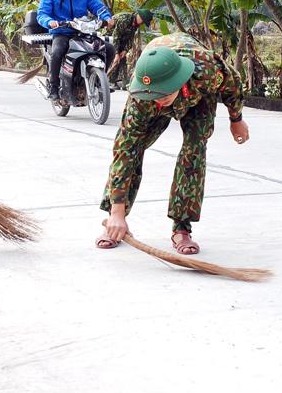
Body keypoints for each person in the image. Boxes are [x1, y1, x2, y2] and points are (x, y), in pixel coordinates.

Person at [97, 32, 250, 254]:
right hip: (153, 92)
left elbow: (232, 85)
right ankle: (114, 223)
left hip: (197, 98)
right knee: (133, 150)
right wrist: (117, 212)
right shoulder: (142, 96)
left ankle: (182, 228)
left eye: (164, 93)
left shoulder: (206, 71)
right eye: (155, 94)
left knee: (194, 151)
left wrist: (236, 120)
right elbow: (124, 150)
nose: (161, 98)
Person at [37, 0, 115, 100]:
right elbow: (42, 14)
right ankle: (54, 87)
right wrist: (50, 22)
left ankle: (100, 81)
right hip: (62, 33)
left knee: (108, 49)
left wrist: (107, 18)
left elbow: (98, 7)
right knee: (57, 52)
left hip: (83, 32)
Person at [108, 8, 153, 86]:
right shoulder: (124, 19)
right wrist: (116, 53)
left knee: (122, 60)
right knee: (114, 60)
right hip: (109, 38)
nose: (142, 23)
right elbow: (116, 36)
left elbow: (130, 38)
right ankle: (108, 81)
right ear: (139, 16)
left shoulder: (135, 24)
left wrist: (125, 50)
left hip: (121, 41)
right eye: (143, 21)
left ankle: (123, 83)